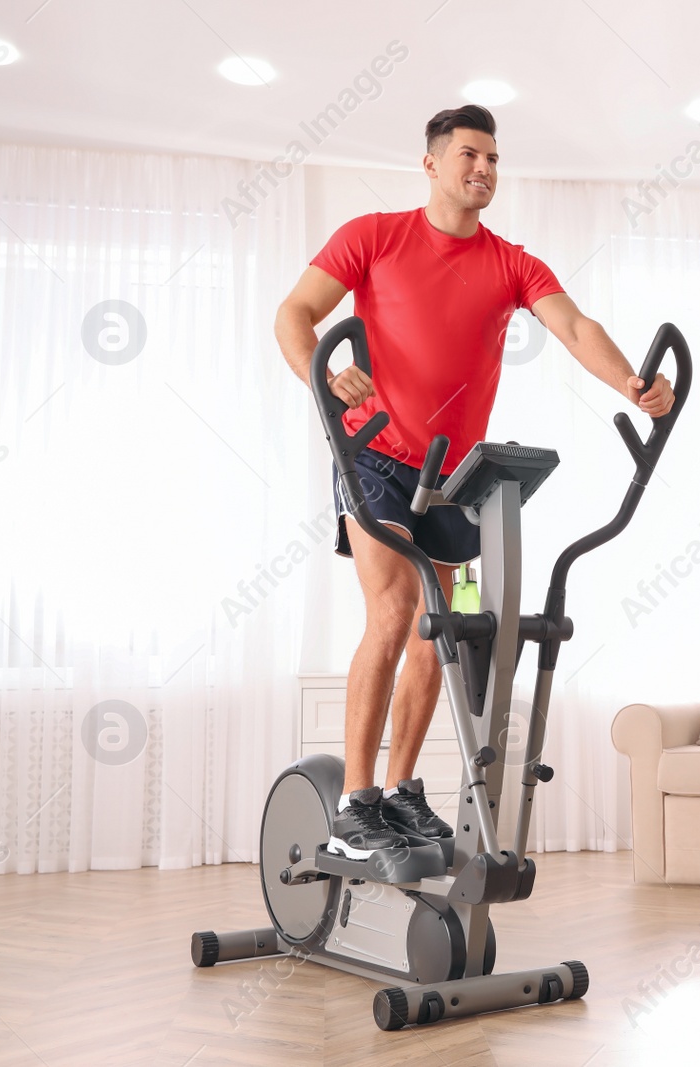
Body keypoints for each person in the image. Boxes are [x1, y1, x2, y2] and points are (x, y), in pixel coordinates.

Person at [274, 104, 674, 858]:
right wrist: (323, 373)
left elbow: (577, 327)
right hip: (375, 459)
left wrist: (631, 380)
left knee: (446, 629)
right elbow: (294, 311)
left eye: (493, 158)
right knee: (394, 611)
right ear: (431, 163)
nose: (483, 169)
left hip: (456, 480)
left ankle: (399, 792)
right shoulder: (372, 236)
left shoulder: (511, 262)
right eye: (468, 155)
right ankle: (356, 801)